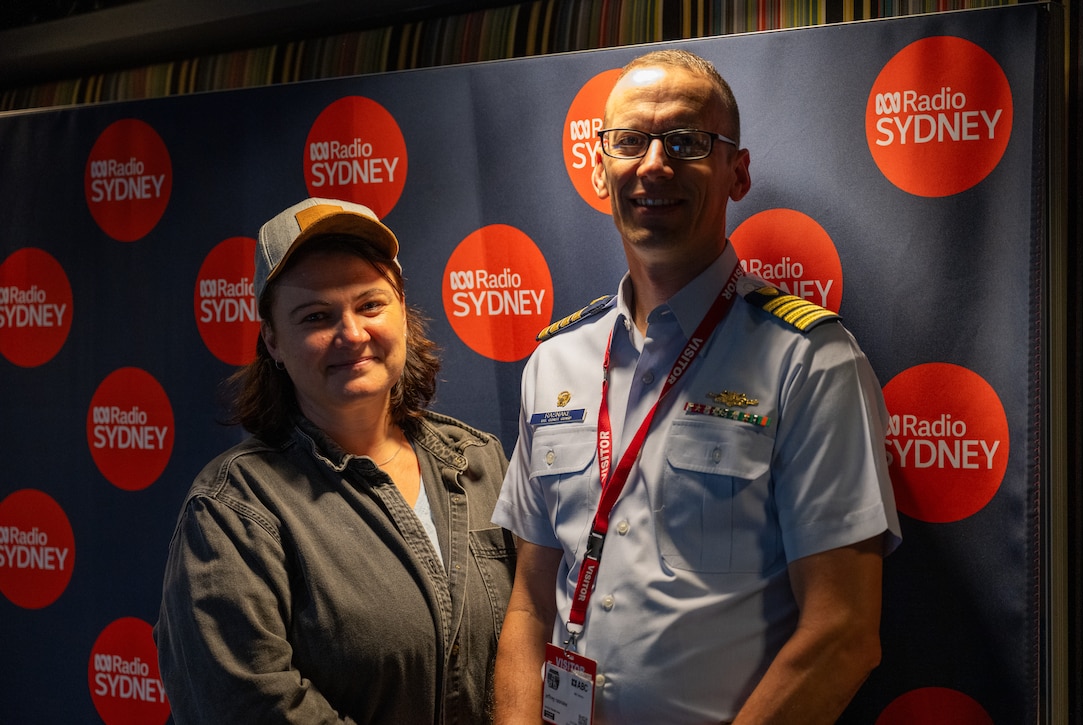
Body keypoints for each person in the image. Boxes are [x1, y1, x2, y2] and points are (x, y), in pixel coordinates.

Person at [491, 49, 901, 724]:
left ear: (736, 173)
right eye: (629, 142)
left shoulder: (810, 362)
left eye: (686, 141)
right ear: (600, 168)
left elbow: (844, 633)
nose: (654, 164)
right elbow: (530, 601)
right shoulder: (556, 362)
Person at [155, 197, 516, 724]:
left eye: (370, 305)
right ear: (273, 341)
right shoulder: (233, 509)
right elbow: (245, 705)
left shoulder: (481, 463)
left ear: (402, 313)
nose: (352, 333)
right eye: (317, 316)